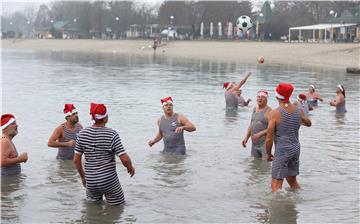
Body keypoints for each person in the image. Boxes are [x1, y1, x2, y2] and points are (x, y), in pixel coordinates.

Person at [74, 103, 135, 206]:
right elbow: (124, 159)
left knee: (93, 210)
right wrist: (130, 167)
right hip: (109, 180)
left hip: (91, 180)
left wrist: (83, 177)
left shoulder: (82, 134)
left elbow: (76, 160)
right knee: (118, 208)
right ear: (105, 118)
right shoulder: (112, 134)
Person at [265, 83, 311, 192]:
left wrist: (268, 153)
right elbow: (309, 123)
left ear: (277, 96)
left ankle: (277, 207)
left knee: (276, 184)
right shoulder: (298, 110)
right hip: (295, 149)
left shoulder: (274, 113)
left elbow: (269, 138)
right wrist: (297, 120)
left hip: (283, 151)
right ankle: (297, 200)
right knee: (292, 180)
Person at [242, 90, 272, 160]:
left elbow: (272, 128)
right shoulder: (254, 109)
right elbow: (251, 125)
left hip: (264, 144)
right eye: (258, 97)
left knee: (265, 166)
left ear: (267, 99)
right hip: (254, 144)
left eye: (262, 97)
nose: (260, 98)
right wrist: (246, 138)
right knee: (254, 165)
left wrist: (260, 134)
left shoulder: (269, 111)